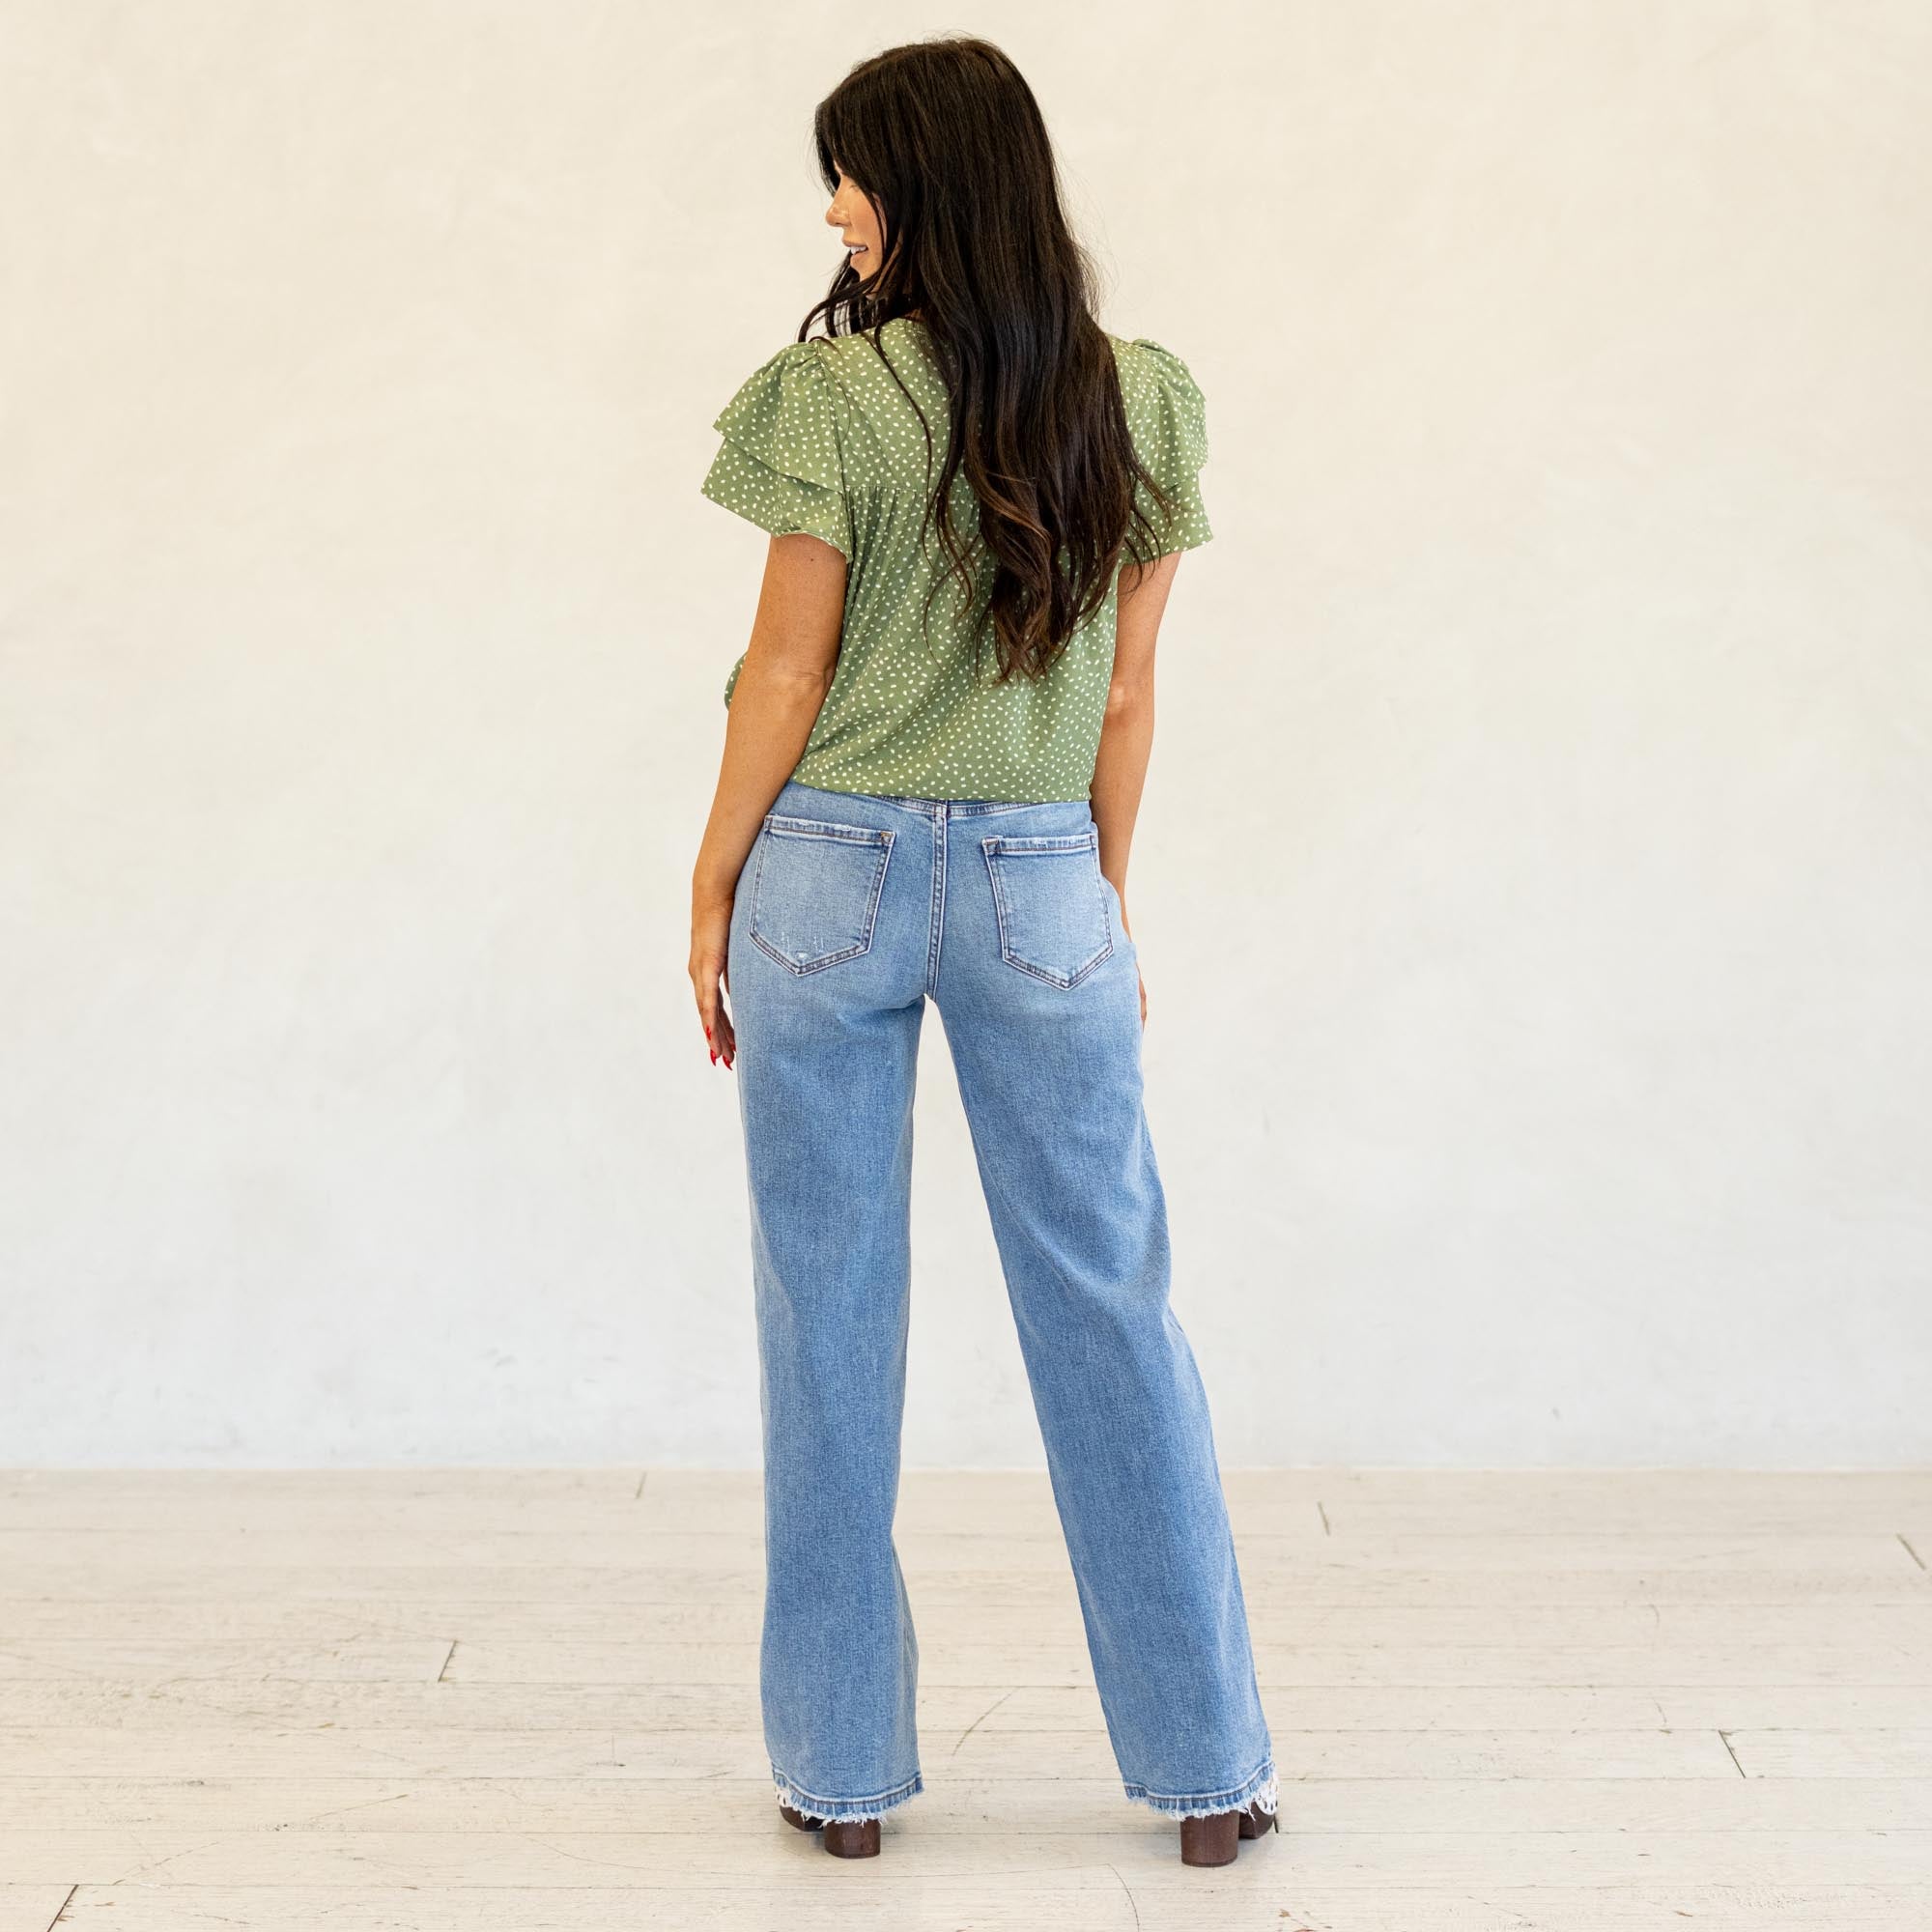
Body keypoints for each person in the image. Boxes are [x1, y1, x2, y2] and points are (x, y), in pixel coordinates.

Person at [687, 34, 1276, 1869]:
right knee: (1111, 1303)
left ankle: (842, 1778)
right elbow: (1129, 692)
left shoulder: (832, 400)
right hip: (1041, 875)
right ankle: (1209, 1773)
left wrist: (708, 885)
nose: (835, 212)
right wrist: (1099, 894)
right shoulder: (1140, 399)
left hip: (826, 871)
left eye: (853, 173)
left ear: (929, 182)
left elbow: (787, 672)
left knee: (826, 1313)